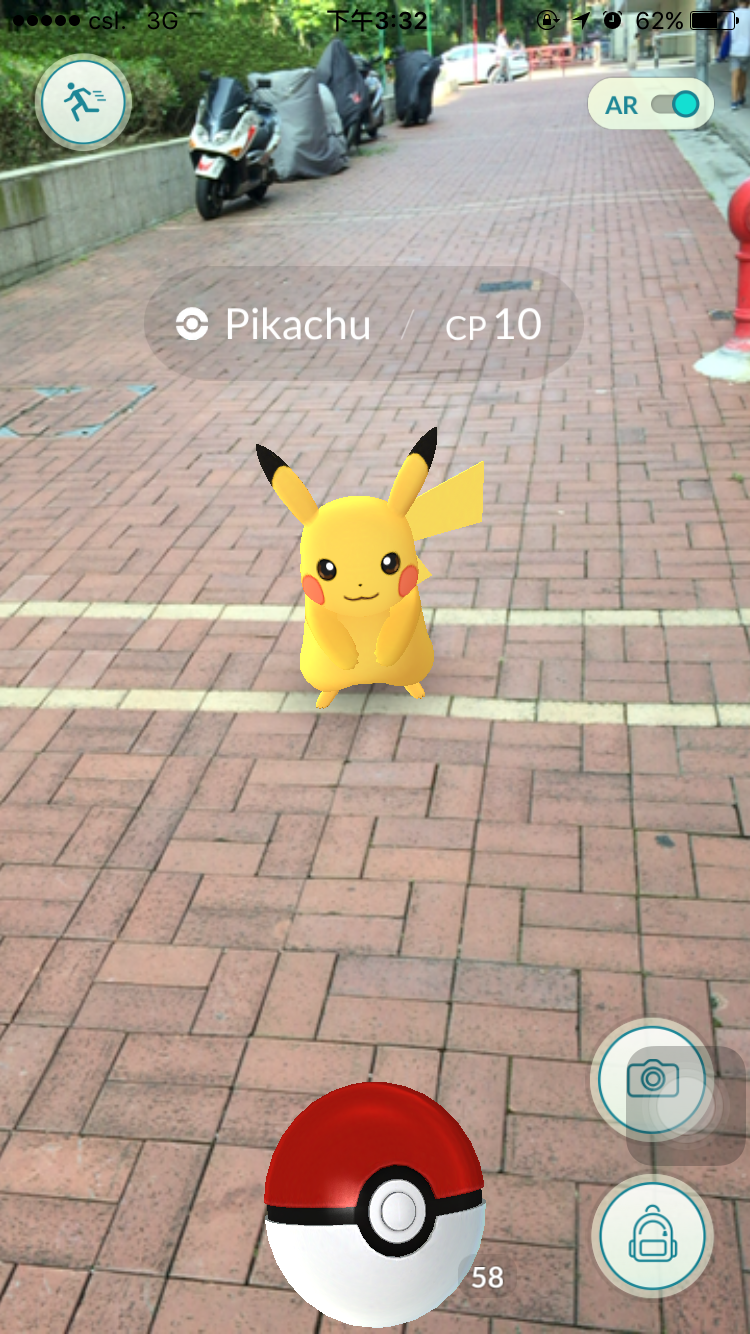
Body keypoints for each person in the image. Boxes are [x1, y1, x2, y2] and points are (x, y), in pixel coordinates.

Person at [725, 0, 750, 108]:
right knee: (743, 75)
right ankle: (742, 97)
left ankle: (734, 101)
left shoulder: (731, 15)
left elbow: (725, 32)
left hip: (735, 49)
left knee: (735, 76)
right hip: (747, 50)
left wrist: (722, 46)